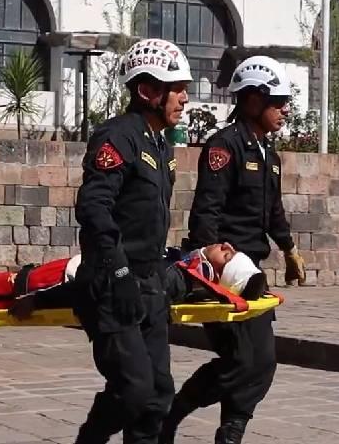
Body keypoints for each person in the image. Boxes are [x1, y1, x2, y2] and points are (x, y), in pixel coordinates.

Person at [160, 55, 307, 444]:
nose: (285, 110)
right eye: (277, 102)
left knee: (258, 362)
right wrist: (207, 269)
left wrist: (289, 249)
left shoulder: (267, 154)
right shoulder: (225, 146)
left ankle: (230, 430)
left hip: (251, 272)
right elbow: (206, 211)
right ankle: (179, 415)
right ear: (253, 101)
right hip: (224, 271)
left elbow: (273, 210)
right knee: (247, 361)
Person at [72, 38, 191, 444]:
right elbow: (93, 207)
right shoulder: (118, 137)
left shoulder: (160, 142)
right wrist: (118, 269)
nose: (185, 97)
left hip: (150, 283)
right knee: (134, 389)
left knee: (158, 397)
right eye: (177, 88)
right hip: (113, 285)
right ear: (147, 91)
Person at [0, 242, 266, 313]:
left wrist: (45, 300)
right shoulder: (181, 268)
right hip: (63, 274)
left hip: (60, 284)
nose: (224, 243)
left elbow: (106, 287)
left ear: (219, 271)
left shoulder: (176, 279)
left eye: (228, 253)